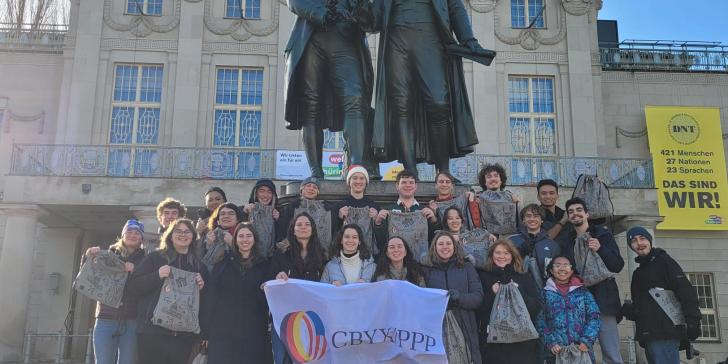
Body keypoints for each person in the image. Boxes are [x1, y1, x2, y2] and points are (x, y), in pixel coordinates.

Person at [360, 0, 483, 179]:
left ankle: (443, 171)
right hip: (396, 38)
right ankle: (410, 172)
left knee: (439, 103)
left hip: (430, 37)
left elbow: (455, 7)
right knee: (400, 105)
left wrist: (468, 38)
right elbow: (374, 19)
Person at [283, 0, 375, 178]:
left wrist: (360, 15)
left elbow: (369, 10)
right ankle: (316, 172)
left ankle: (356, 167)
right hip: (312, 35)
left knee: (355, 98)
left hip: (345, 35)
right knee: (310, 105)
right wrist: (320, 13)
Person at [127, 218, 206, 364]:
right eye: (178, 231)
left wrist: (202, 289)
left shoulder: (199, 266)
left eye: (187, 231)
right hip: (152, 331)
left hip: (184, 335)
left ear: (193, 236)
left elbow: (206, 302)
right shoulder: (155, 258)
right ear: (170, 235)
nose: (183, 234)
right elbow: (133, 287)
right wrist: (156, 275)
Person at [557, 197, 625, 364]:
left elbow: (617, 265)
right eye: (571, 212)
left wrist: (600, 249)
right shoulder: (566, 241)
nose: (575, 214)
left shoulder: (602, 234)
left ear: (587, 213)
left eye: (579, 210)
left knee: (611, 352)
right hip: (579, 302)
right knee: (583, 353)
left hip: (604, 300)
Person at [620, 226, 702, 364]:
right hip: (649, 335)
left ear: (650, 241)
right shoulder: (638, 273)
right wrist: (628, 310)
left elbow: (686, 291)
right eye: (634, 241)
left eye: (642, 238)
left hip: (666, 333)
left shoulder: (664, 262)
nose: (639, 243)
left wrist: (693, 321)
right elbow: (643, 307)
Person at [203, 222, 272, 364]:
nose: (245, 239)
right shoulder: (222, 263)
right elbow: (212, 296)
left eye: (248, 236)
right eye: (241, 236)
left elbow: (268, 301)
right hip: (223, 331)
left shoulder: (264, 265)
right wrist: (206, 331)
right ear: (235, 240)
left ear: (254, 239)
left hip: (253, 331)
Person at [84, 220, 146, 364]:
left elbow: (146, 286)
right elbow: (90, 276)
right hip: (105, 318)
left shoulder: (146, 259)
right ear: (122, 235)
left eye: (137, 233)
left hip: (131, 320)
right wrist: (88, 257)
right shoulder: (108, 254)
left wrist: (135, 271)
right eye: (129, 232)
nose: (133, 235)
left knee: (127, 361)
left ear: (141, 238)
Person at [269, 212, 327, 364]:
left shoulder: (322, 254)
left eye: (307, 224)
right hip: (285, 318)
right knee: (283, 359)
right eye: (299, 224)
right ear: (293, 230)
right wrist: (277, 277)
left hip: (313, 318)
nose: (303, 227)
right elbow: (267, 281)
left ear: (313, 229)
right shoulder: (281, 254)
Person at [478, 239, 541, 364]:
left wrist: (519, 292)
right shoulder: (483, 276)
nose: (502, 256)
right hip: (494, 342)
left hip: (522, 341)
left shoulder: (523, 277)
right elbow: (479, 310)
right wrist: (492, 293)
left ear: (512, 256)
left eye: (506, 253)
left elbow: (535, 308)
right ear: (491, 255)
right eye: (498, 253)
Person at [425, 231, 483, 364]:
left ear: (454, 246)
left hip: (465, 326)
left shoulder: (466, 267)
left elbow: (478, 297)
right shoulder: (427, 270)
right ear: (434, 247)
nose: (445, 247)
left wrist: (459, 297)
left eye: (448, 243)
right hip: (439, 328)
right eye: (440, 244)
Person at [537, 256, 601, 363]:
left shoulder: (583, 291)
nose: (562, 269)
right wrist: (550, 342)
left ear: (571, 271)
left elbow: (594, 316)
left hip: (581, 349)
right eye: (557, 266)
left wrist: (587, 340)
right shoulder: (544, 293)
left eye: (566, 265)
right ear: (551, 270)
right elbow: (539, 320)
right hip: (556, 351)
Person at [374, 169, 440, 252]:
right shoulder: (386, 210)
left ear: (416, 186)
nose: (408, 185)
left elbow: (433, 240)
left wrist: (434, 221)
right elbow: (381, 241)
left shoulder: (425, 211)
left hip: (419, 261)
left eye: (411, 182)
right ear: (397, 186)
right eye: (404, 182)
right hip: (395, 259)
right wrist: (378, 223)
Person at [507, 204, 561, 287]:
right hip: (516, 288)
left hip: (543, 289)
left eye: (536, 216)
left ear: (542, 220)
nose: (532, 219)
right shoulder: (511, 240)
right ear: (523, 220)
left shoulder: (552, 245)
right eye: (528, 216)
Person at [334, 165, 380, 251]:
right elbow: (332, 233)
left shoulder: (374, 206)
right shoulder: (339, 206)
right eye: (354, 178)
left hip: (368, 254)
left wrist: (377, 221)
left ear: (366, 182)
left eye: (362, 178)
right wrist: (338, 218)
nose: (358, 181)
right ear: (349, 182)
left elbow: (380, 237)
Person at [277, 176, 335, 244]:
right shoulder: (291, 207)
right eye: (308, 186)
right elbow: (284, 229)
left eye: (315, 187)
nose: (311, 189)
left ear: (317, 192)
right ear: (302, 189)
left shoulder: (326, 208)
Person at [199, 203, 243, 271]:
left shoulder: (244, 235)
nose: (226, 216)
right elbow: (200, 261)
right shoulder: (209, 236)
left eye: (231, 213)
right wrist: (208, 245)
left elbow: (247, 260)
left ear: (237, 219)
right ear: (218, 220)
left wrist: (232, 244)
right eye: (222, 214)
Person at [242, 179, 280, 257]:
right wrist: (244, 213)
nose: (265, 195)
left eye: (269, 192)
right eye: (262, 191)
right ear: (256, 193)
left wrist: (279, 220)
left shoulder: (279, 214)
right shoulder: (245, 211)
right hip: (249, 259)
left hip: (271, 261)